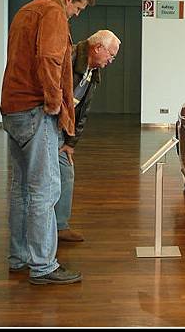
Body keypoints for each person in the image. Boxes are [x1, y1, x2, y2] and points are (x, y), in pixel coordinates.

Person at [0, 0, 95, 285]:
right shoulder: (53, 12)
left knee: (21, 188)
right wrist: (54, 102)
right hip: (35, 111)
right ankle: (43, 265)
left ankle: (19, 257)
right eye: (77, 10)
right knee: (45, 189)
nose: (75, 15)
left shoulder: (26, 10)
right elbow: (49, 59)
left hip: (13, 109)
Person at [56, 30, 121, 242]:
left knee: (66, 172)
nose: (111, 60)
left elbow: (82, 111)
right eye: (110, 55)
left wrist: (70, 143)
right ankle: (46, 232)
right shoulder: (69, 58)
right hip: (47, 124)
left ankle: (60, 226)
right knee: (45, 181)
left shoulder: (93, 73)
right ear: (97, 48)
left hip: (62, 129)